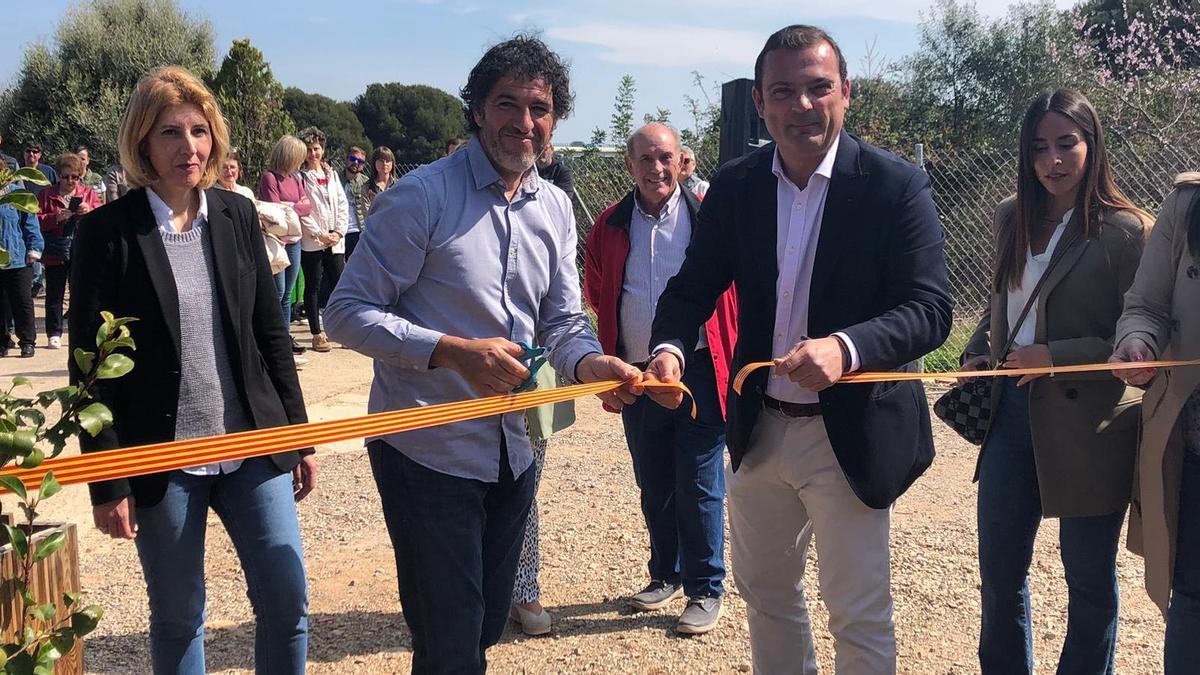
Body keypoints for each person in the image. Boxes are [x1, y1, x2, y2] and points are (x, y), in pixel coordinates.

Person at [325, 35, 643, 673]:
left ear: (554, 120)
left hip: (516, 447)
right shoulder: (421, 197)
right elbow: (345, 313)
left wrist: (591, 364)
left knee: (488, 622)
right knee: (450, 640)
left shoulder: (555, 206)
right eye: (507, 104)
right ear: (476, 109)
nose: (523, 122)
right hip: (426, 450)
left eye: (539, 108)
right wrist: (450, 352)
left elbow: (561, 321)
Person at [644, 25, 953, 673]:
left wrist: (845, 348)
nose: (802, 105)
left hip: (850, 430)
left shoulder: (895, 186)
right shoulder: (738, 186)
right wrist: (668, 349)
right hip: (760, 429)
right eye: (783, 91)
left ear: (847, 92)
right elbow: (692, 287)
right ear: (760, 102)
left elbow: (930, 310)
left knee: (857, 611)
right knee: (766, 597)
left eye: (819, 88)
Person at [70, 65, 315, 675]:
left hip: (251, 445)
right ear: (142, 143)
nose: (190, 147)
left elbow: (270, 335)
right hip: (162, 457)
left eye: (199, 131)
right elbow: (88, 370)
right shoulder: (107, 233)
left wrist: (298, 435)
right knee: (180, 617)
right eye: (171, 133)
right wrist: (108, 480)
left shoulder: (236, 215)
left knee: (287, 601)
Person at [960, 88, 1150, 674]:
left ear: (1093, 144)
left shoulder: (1126, 230)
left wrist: (1054, 355)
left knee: (1088, 577)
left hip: (1091, 422)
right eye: (1039, 147)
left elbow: (1139, 330)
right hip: (1009, 416)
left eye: (1067, 143)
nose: (1053, 160)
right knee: (999, 573)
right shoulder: (1009, 216)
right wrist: (977, 352)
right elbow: (999, 304)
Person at [584, 122, 737, 634]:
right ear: (629, 165)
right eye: (646, 159)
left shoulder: (707, 218)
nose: (657, 168)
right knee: (653, 478)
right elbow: (598, 288)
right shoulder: (609, 225)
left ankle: (706, 587)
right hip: (634, 371)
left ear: (682, 163)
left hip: (700, 368)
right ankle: (665, 574)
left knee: (698, 478)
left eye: (666, 157)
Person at [1110, 172, 1200, 673]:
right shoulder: (1186, 204)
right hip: (1192, 446)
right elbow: (1146, 306)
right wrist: (1137, 341)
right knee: (1191, 598)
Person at [37, 152, 100, 350]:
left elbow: (103, 218)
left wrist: (90, 211)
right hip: (56, 248)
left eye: (75, 177)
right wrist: (54, 218)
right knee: (54, 294)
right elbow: (36, 220)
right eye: (65, 176)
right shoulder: (46, 194)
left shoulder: (88, 193)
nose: (70, 181)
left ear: (81, 176)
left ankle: (79, 330)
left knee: (81, 292)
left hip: (82, 248)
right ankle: (54, 333)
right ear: (59, 175)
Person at [258, 135, 312, 359]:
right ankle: (273, 339)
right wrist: (294, 206)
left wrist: (290, 206)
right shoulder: (269, 178)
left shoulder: (296, 178)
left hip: (294, 241)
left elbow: (307, 207)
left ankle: (285, 337)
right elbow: (275, 211)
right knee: (277, 292)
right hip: (276, 241)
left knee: (288, 293)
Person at [296, 126, 348, 353]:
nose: (313, 154)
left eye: (316, 149)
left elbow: (342, 204)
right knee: (313, 286)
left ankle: (343, 329)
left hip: (335, 241)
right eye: (308, 149)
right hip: (313, 241)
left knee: (340, 285)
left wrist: (338, 232)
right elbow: (302, 210)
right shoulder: (300, 177)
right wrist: (319, 234)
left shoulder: (332, 174)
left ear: (323, 150)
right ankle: (317, 334)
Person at [0, 186, 42, 358]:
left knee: (22, 301)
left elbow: (30, 222)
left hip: (17, 258)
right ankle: (2, 341)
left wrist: (34, 248)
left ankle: (27, 341)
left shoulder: (18, 193)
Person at [342, 146, 370, 260]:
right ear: (346, 159)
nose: (356, 163)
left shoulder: (366, 183)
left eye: (360, 161)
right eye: (353, 159)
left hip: (358, 231)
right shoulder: (334, 178)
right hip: (339, 231)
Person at [362, 145, 398, 212]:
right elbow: (367, 213)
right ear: (374, 163)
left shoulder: (399, 185)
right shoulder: (367, 187)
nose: (384, 164)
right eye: (381, 161)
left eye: (388, 161)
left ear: (392, 163)